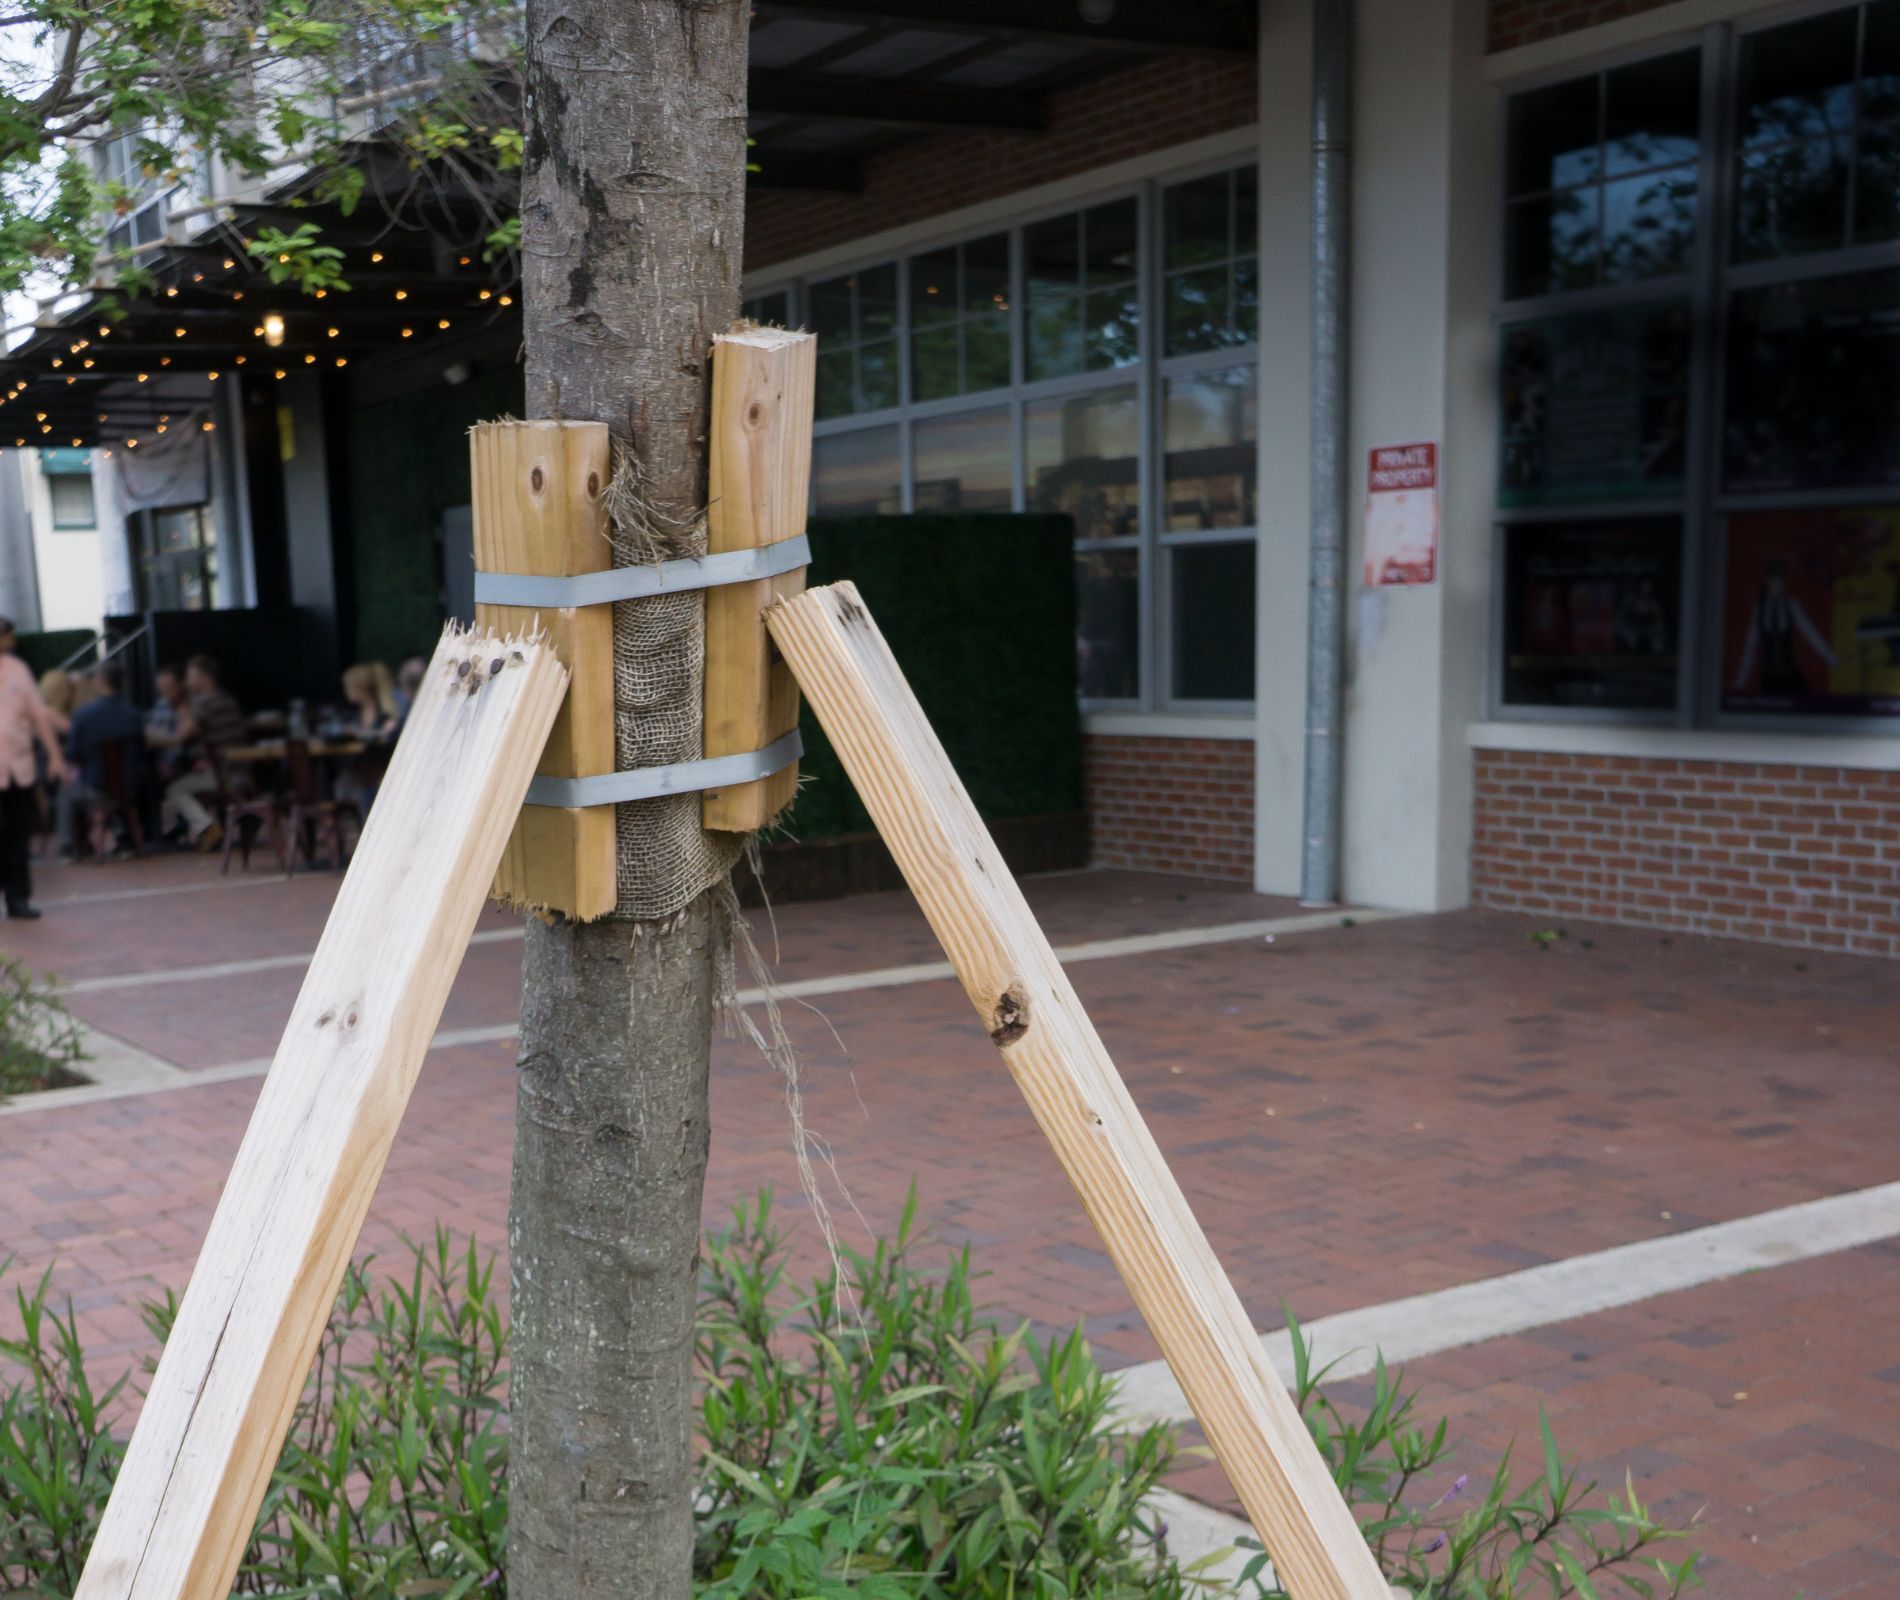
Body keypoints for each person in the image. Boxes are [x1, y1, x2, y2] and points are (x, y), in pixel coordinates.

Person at [0, 617, 70, 917]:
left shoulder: (17, 670)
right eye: (8, 637)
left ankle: (18, 899)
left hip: (19, 768)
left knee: (18, 834)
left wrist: (55, 756)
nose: (12, 643)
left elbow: (39, 716)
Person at [151, 654, 246, 850]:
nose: (186, 681)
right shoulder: (227, 700)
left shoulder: (203, 704)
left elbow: (179, 736)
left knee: (173, 789)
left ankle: (208, 829)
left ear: (203, 678)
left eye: (190, 676)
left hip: (222, 773)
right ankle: (241, 819)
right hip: (241, 769)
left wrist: (151, 736)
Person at [62, 660, 145, 857]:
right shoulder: (134, 714)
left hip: (94, 787)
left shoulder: (83, 715)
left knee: (63, 789)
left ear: (99, 682)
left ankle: (72, 844)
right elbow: (141, 752)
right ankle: (128, 837)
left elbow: (72, 754)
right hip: (129, 787)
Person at [340, 662, 399, 740]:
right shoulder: (352, 714)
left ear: (360, 688)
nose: (346, 691)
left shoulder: (385, 711)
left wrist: (356, 733)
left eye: (348, 687)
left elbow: (388, 735)